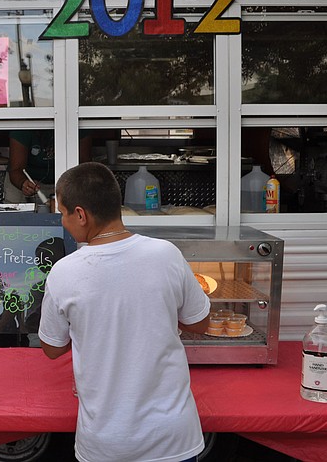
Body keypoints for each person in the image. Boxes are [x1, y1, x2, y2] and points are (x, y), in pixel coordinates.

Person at [39, 162, 210, 462]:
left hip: (106, 443)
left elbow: (52, 348)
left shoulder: (63, 272)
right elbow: (201, 322)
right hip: (173, 439)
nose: (62, 221)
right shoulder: (166, 254)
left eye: (63, 213)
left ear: (80, 214)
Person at [5, 130, 92, 206]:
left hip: (67, 184)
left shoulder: (74, 122)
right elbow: (16, 169)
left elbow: (84, 166)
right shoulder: (24, 125)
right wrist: (22, 183)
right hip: (27, 183)